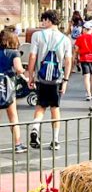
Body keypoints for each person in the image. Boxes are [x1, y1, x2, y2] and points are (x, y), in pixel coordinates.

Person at [27, 10, 73, 150]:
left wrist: (31, 76)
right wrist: (65, 80)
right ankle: (55, 140)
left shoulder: (37, 35)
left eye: (43, 20)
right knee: (55, 108)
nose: (42, 23)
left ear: (48, 20)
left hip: (41, 78)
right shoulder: (65, 39)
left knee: (40, 105)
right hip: (57, 79)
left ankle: (35, 128)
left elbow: (32, 57)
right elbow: (68, 61)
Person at [0, 30, 27, 152]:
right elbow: (18, 69)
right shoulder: (14, 53)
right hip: (7, 85)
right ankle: (17, 144)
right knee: (13, 116)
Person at [74, 20, 92, 101]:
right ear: (91, 30)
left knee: (86, 76)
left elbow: (76, 49)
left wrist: (75, 57)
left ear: (84, 29)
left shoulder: (80, 38)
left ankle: (88, 94)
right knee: (91, 76)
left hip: (84, 58)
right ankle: (91, 92)